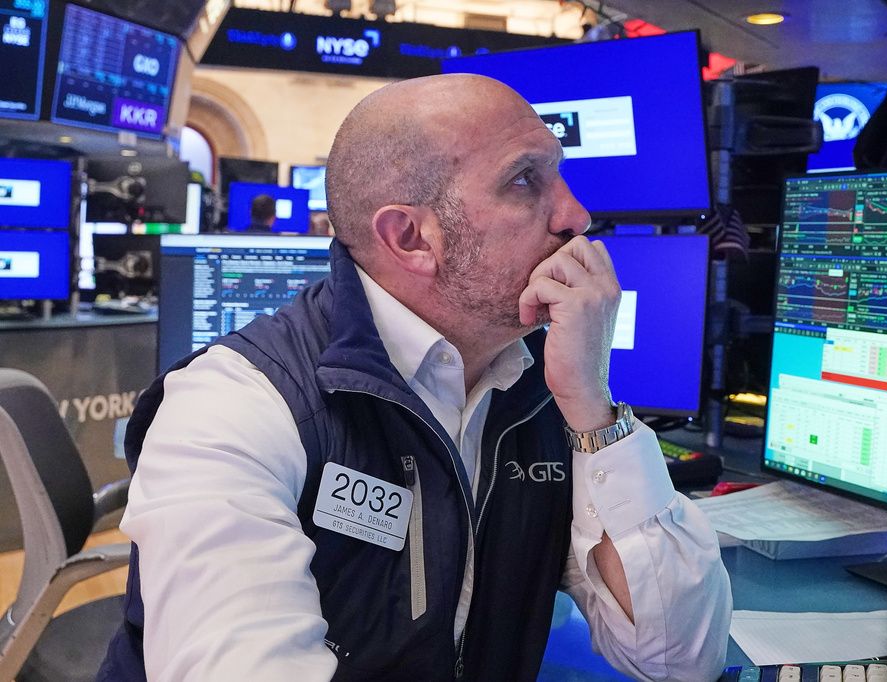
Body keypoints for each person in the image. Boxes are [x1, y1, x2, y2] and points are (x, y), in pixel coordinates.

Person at [98, 74, 732, 682]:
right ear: (410, 238)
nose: (576, 215)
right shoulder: (232, 408)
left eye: (559, 173)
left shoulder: (546, 390)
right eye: (523, 181)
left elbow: (679, 658)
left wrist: (593, 406)